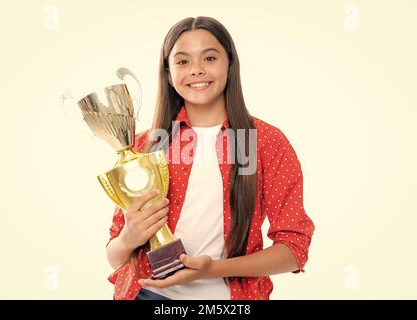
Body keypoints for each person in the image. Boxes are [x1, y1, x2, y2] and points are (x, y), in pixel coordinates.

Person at [105, 16, 315, 300]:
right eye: (182, 61)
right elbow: (114, 255)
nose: (196, 70)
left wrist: (212, 269)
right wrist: (130, 236)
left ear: (230, 64)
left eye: (210, 58)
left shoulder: (264, 142)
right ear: (167, 73)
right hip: (148, 296)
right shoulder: (147, 144)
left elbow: (294, 249)